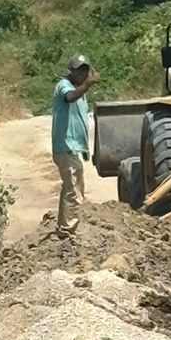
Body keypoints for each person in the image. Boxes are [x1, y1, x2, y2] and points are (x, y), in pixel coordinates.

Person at [50, 53, 98, 238]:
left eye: (86, 71)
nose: (84, 75)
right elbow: (69, 97)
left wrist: (84, 148)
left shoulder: (80, 92)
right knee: (73, 188)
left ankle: (65, 225)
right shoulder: (64, 86)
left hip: (72, 148)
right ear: (72, 71)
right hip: (64, 146)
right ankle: (67, 228)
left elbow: (79, 122)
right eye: (80, 72)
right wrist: (87, 85)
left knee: (72, 187)